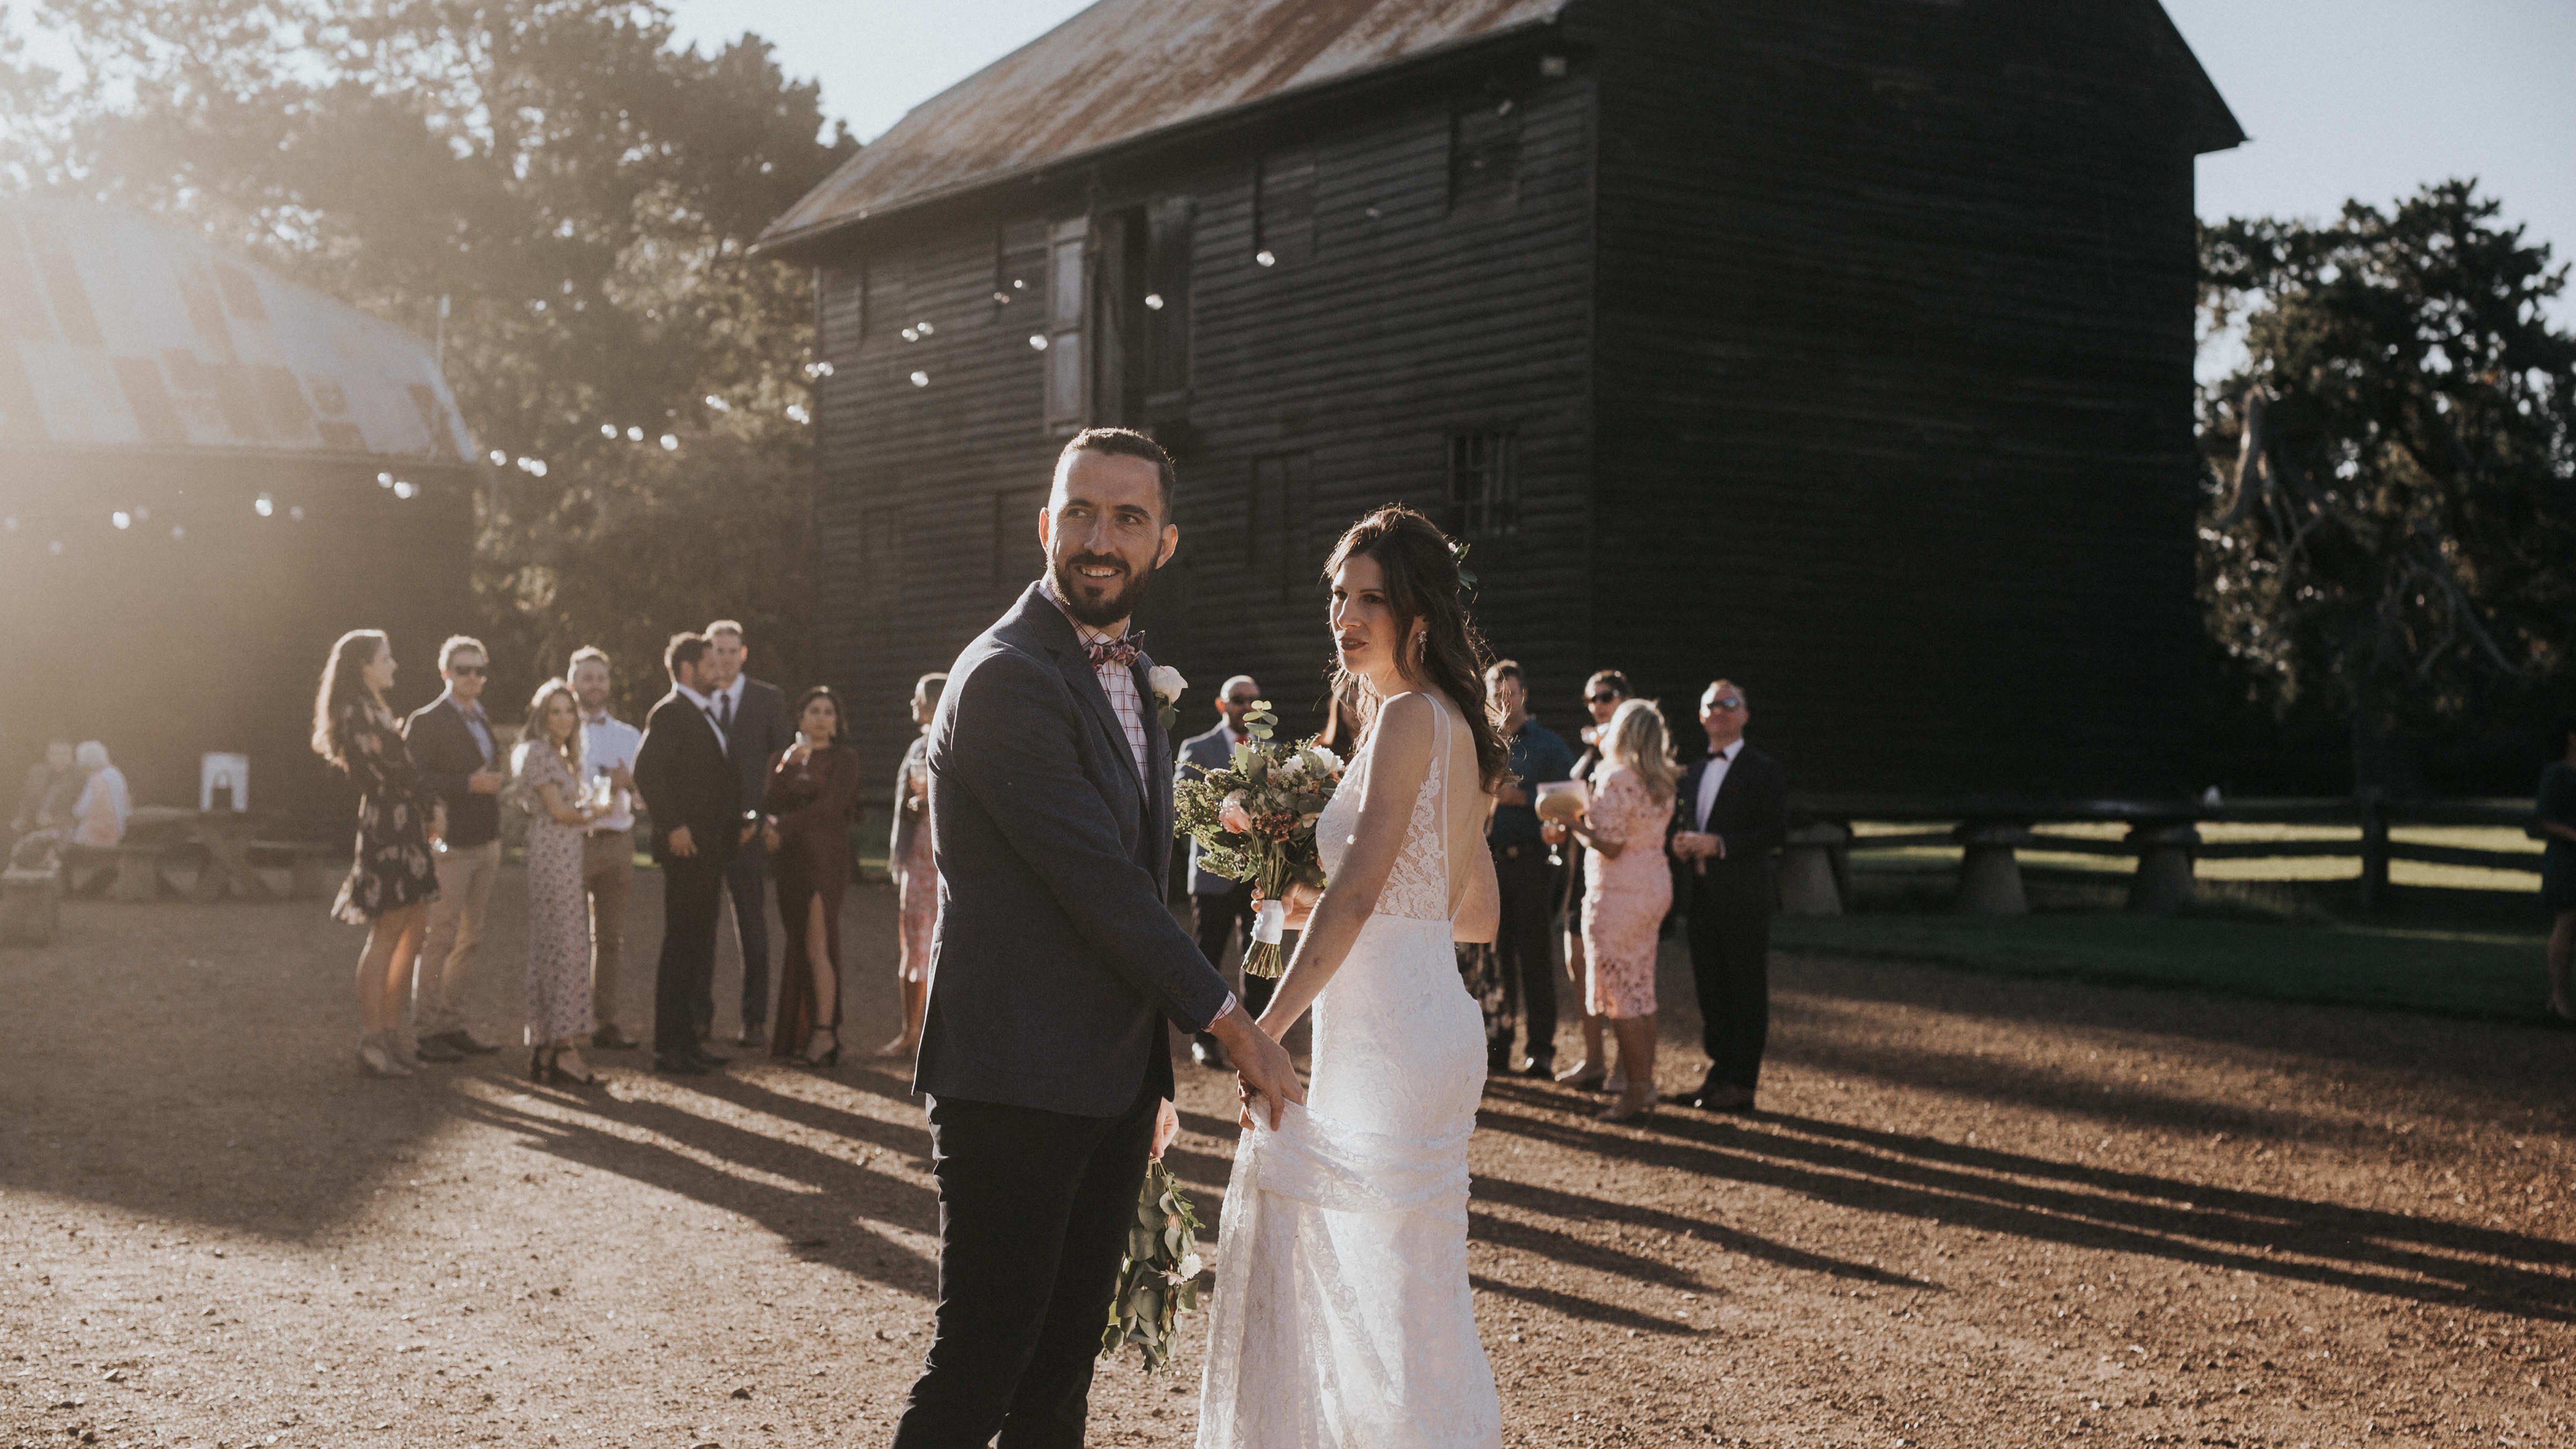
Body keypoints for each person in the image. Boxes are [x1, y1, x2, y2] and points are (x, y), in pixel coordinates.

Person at [891, 428, 1300, 1449]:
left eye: (1127, 517)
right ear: (1044, 526)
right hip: (1013, 1079)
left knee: (1060, 1379)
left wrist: (1147, 1086)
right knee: (980, 1366)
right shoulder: (1006, 677)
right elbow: (1105, 889)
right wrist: (1233, 1027)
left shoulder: (1134, 670)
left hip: (1106, 1084)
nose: (1099, 537)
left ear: (1166, 542)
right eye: (1079, 512)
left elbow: (1140, 878)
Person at [1198, 503, 1505, 1448]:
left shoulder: (1412, 716)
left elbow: (1366, 893)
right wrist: (1305, 899)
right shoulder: (1453, 723)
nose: (1348, 613)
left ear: (1419, 613)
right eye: (1340, 593)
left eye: (1372, 597)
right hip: (1430, 1021)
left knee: (1378, 1285)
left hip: (1390, 1042)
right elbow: (1473, 912)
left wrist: (1268, 1025)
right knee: (1411, 1291)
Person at [311, 630, 442, 1079]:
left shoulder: (373, 709)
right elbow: (394, 770)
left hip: (406, 822)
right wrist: (432, 804)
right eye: (386, 658)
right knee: (388, 931)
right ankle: (373, 1039)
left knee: (414, 930)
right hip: (389, 825)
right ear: (364, 665)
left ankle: (392, 1033)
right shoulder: (357, 712)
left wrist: (426, 807)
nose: (394, 665)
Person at [1553, 699, 1677, 1122]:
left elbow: (1611, 844)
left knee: (1622, 995)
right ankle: (1646, 1084)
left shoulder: (1616, 778)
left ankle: (1634, 1090)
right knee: (1641, 987)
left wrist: (1573, 824)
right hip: (1654, 887)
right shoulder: (1661, 781)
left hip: (1620, 893)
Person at [1667, 679, 1788, 1113]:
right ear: (1701, 715)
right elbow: (1679, 826)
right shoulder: (1692, 772)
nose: (1720, 710)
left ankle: (1743, 1084)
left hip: (1745, 897)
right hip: (1701, 897)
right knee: (1712, 990)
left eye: (1730, 703)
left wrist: (1720, 844)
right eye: (1711, 704)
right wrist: (1679, 845)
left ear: (1745, 715)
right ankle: (1718, 1076)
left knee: (1746, 989)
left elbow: (1775, 832)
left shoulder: (1762, 768)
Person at [633, 632, 743, 1076]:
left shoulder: (706, 714)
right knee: (681, 947)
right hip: (686, 849)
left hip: (710, 851)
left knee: (698, 946)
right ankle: (667, 1047)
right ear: (686, 669)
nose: (719, 668)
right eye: (709, 661)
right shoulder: (671, 712)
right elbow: (647, 772)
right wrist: (673, 825)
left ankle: (688, 1042)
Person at [403, 635, 508, 1063]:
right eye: (463, 669)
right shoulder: (426, 720)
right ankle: (427, 1031)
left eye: (479, 670)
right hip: (451, 845)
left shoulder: (481, 719)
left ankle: (452, 1022)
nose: (472, 677)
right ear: (445, 672)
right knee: (439, 937)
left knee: (470, 938)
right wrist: (468, 783)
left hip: (487, 840)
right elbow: (414, 780)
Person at [701, 619, 795, 1047]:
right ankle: (699, 1019)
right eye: (716, 650)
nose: (723, 657)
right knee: (700, 929)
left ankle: (753, 1020)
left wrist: (762, 818)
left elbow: (783, 767)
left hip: (750, 834)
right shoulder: (696, 698)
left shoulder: (767, 699)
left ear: (742, 654)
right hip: (705, 835)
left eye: (730, 650)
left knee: (753, 929)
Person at [1482, 657, 1576, 1077]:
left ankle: (1541, 1051)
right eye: (1495, 693)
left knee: (1534, 957)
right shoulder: (1479, 742)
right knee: (1494, 960)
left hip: (1533, 863)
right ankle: (1498, 1045)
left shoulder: (1549, 747)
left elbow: (1570, 801)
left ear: (1524, 695)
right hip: (1487, 863)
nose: (1503, 701)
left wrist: (1520, 797)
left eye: (1510, 694)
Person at [512, 677, 603, 1086]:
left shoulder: (564, 755)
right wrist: (596, 812)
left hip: (565, 854)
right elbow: (560, 812)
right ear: (541, 716)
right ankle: (562, 1047)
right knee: (562, 943)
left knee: (562, 943)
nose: (565, 718)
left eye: (570, 710)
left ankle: (549, 1045)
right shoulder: (536, 752)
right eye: (556, 711)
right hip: (552, 855)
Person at [765, 685, 862, 1066]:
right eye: (814, 711)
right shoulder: (782, 758)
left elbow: (830, 808)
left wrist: (782, 829)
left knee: (818, 944)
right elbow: (768, 804)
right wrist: (787, 765)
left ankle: (824, 1034)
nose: (821, 718)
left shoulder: (845, 759)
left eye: (828, 712)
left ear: (837, 723)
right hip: (789, 862)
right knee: (799, 944)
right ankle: (799, 1032)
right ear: (801, 719)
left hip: (825, 860)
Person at [1176, 672, 1269, 1069]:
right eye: (1238, 700)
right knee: (1206, 961)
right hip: (1212, 878)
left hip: (1259, 879)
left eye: (1253, 700)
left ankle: (1259, 1040)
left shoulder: (1272, 750)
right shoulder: (1197, 748)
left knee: (1259, 962)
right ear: (1222, 704)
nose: (1246, 707)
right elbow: (1183, 811)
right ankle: (1204, 1041)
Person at [1547, 670, 1633, 1091]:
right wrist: (1558, 829)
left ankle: (1625, 1066)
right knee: (1578, 965)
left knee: (1614, 971)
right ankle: (1594, 1059)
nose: (1598, 704)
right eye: (1592, 698)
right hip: (1581, 875)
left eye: (1607, 696)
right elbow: (1573, 811)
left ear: (1625, 701)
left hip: (1620, 878)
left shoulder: (1631, 757)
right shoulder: (1586, 757)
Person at [569, 647, 643, 1050]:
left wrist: (628, 783)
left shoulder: (629, 736)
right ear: (572, 684)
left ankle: (606, 1021)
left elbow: (645, 795)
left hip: (617, 841)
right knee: (571, 935)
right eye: (587, 678)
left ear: (608, 684)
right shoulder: (561, 732)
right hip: (575, 842)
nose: (594, 685)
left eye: (600, 678)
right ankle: (571, 1019)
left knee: (611, 938)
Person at [882, 671, 945, 1060]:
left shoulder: (958, 740)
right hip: (917, 858)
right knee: (913, 945)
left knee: (945, 946)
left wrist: (931, 802)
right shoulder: (916, 748)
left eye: (919, 697)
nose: (912, 704)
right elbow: (905, 802)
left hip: (946, 860)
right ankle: (911, 1032)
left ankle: (937, 1038)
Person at [2537, 713, 2576, 1023]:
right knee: (2568, 923)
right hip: (2566, 861)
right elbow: (2543, 819)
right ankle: (2559, 997)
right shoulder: (2558, 774)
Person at [10, 739, 80, 846]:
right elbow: (26, 800)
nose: (60, 758)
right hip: (33, 825)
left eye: (65, 754)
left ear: (72, 757)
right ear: (48, 755)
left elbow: (82, 814)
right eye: (55, 754)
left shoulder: (80, 778)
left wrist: (55, 820)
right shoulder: (37, 772)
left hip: (63, 830)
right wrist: (22, 818)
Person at [68, 742, 129, 847]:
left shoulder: (96, 779)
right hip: (119, 828)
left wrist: (73, 809)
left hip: (98, 833)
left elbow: (80, 811)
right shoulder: (116, 773)